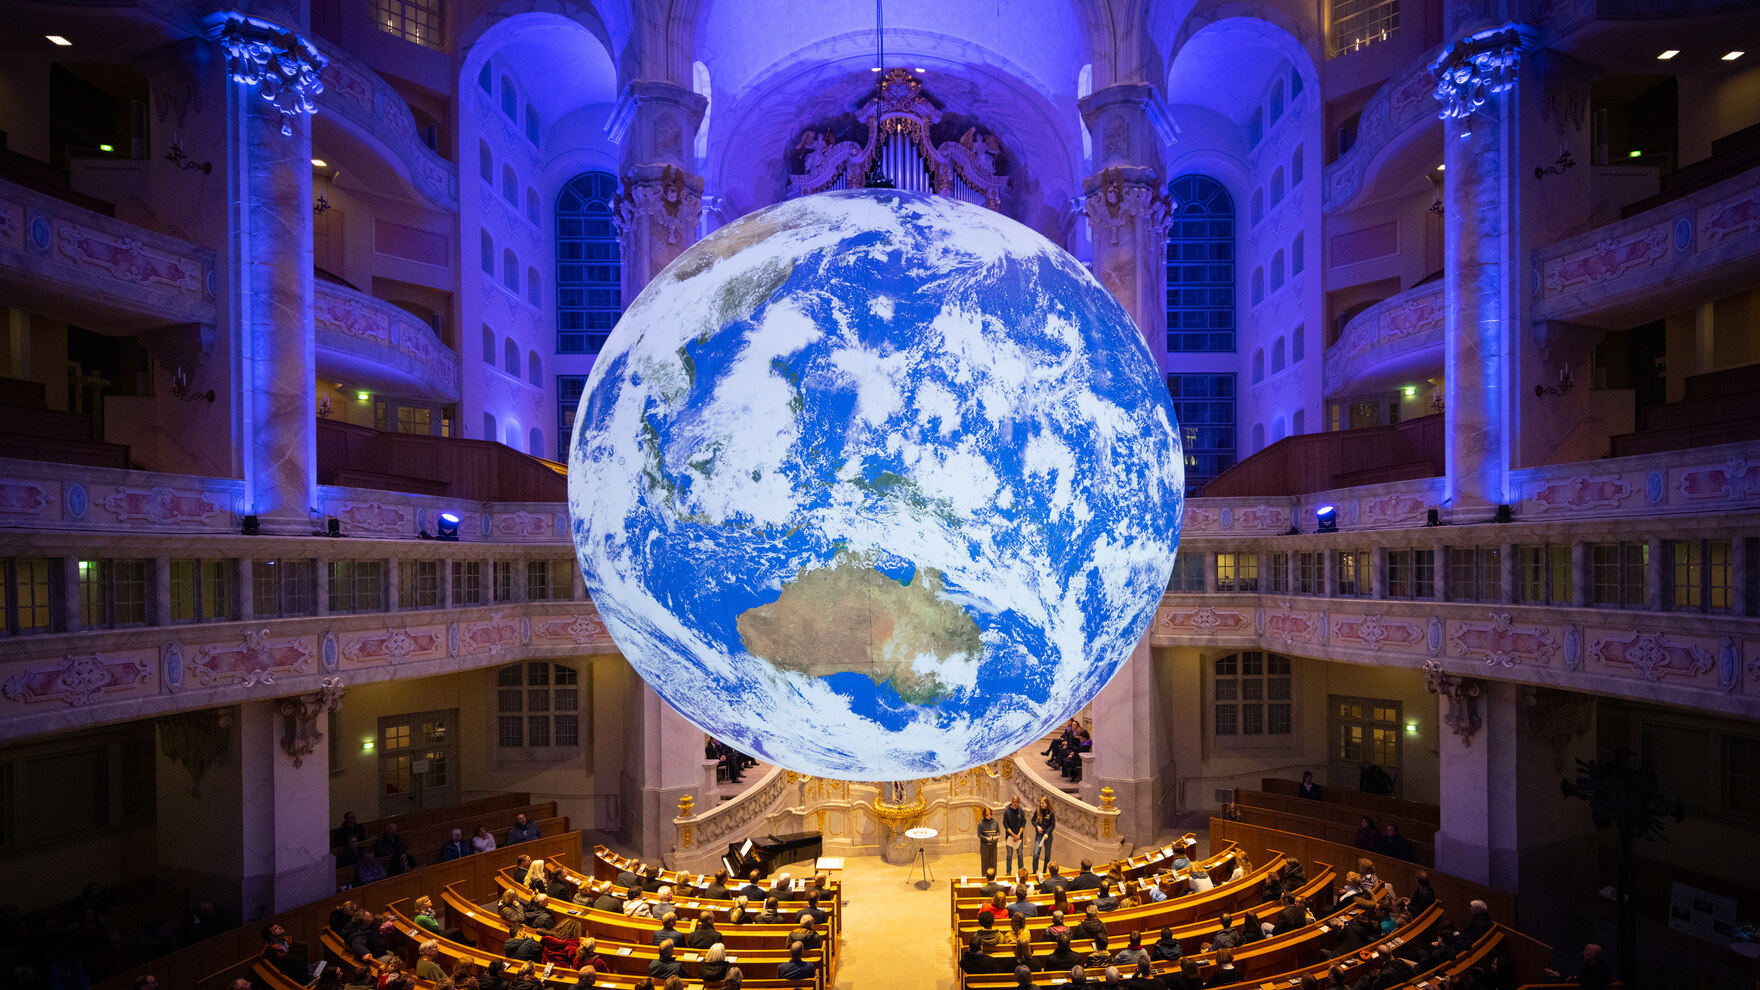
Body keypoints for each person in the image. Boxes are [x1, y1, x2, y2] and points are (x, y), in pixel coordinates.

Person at [1003, 795, 1028, 873]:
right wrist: (1013, 835)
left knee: (1020, 855)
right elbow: (1005, 824)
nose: (1016, 806)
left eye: (1017, 805)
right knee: (1009, 855)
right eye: (1014, 805)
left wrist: (1018, 835)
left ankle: (1021, 872)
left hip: (1019, 837)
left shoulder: (1021, 811)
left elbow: (1023, 823)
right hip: (1010, 837)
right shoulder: (1007, 812)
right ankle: (1008, 872)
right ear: (1012, 802)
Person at [1032, 797, 1056, 872]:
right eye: (1041, 803)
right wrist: (1037, 826)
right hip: (1039, 835)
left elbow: (1052, 825)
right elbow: (1032, 820)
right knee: (1036, 854)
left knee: (1047, 856)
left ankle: (1044, 871)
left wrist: (1047, 833)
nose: (1041, 805)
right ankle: (1035, 871)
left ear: (1047, 804)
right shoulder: (1038, 811)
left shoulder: (1051, 813)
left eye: (1043, 803)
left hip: (1047, 836)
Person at [978, 806, 1001, 875]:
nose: (989, 816)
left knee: (993, 862)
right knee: (985, 862)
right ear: (984, 815)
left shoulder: (995, 822)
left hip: (993, 845)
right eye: (987, 815)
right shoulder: (981, 823)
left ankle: (993, 877)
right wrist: (986, 838)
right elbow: (979, 834)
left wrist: (996, 837)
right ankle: (984, 877)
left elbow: (998, 832)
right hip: (985, 846)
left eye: (990, 814)